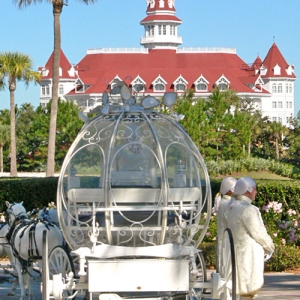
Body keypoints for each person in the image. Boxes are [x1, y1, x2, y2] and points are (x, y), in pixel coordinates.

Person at [227, 176, 275, 299]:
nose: (256, 192)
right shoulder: (248, 209)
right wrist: (270, 246)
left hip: (236, 252)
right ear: (248, 191)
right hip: (249, 254)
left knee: (241, 289)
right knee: (248, 290)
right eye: (254, 189)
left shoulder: (232, 207)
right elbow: (258, 232)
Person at [214, 176, 237, 272]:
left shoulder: (224, 202)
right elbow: (231, 221)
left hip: (223, 236)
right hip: (227, 238)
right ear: (229, 191)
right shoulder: (227, 204)